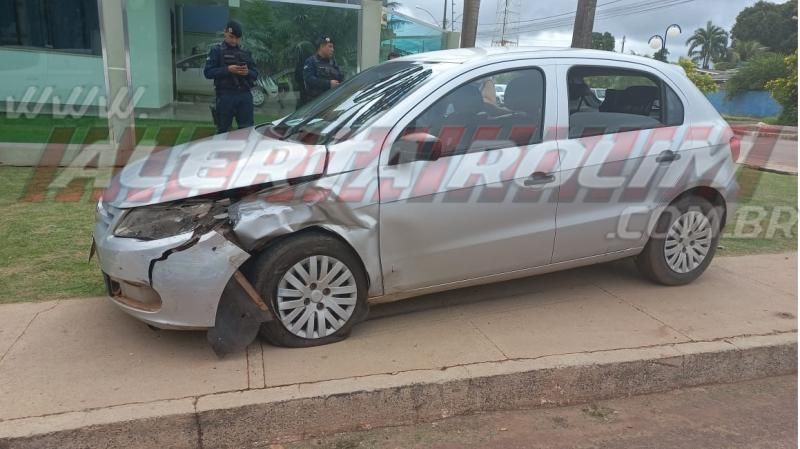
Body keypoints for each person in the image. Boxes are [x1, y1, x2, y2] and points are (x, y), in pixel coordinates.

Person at [203, 20, 258, 134]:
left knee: (247, 131)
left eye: (237, 38)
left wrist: (247, 72)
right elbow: (208, 72)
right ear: (225, 33)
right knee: (223, 132)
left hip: (244, 95)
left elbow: (255, 74)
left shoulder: (246, 52)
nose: (234, 40)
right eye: (231, 37)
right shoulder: (216, 51)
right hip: (225, 96)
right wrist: (227, 69)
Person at [299, 35, 343, 108]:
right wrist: (328, 84)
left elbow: (340, 77)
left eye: (333, 47)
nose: (333, 49)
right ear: (322, 46)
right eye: (330, 46)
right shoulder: (311, 61)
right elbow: (309, 79)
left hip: (332, 102)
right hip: (316, 104)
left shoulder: (333, 63)